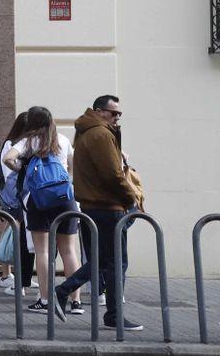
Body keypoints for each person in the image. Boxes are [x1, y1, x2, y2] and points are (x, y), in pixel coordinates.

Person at [53, 95, 144, 331]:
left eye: (119, 114)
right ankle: (111, 315)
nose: (117, 117)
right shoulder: (100, 134)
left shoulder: (87, 131)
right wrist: (130, 197)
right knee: (115, 262)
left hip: (94, 206)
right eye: (113, 113)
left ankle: (66, 293)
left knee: (103, 261)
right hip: (108, 206)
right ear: (99, 111)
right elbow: (112, 175)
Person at [3, 106, 82, 315]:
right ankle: (76, 301)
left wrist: (23, 169)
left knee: (43, 251)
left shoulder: (27, 142)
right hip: (65, 199)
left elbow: (7, 158)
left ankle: (46, 300)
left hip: (39, 199)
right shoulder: (62, 140)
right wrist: (68, 181)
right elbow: (74, 165)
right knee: (69, 251)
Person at [0, 111, 36, 296]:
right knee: (12, 233)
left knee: (22, 235)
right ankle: (6, 273)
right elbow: (8, 174)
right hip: (15, 194)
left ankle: (21, 274)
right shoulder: (11, 145)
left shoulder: (29, 145)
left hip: (27, 194)